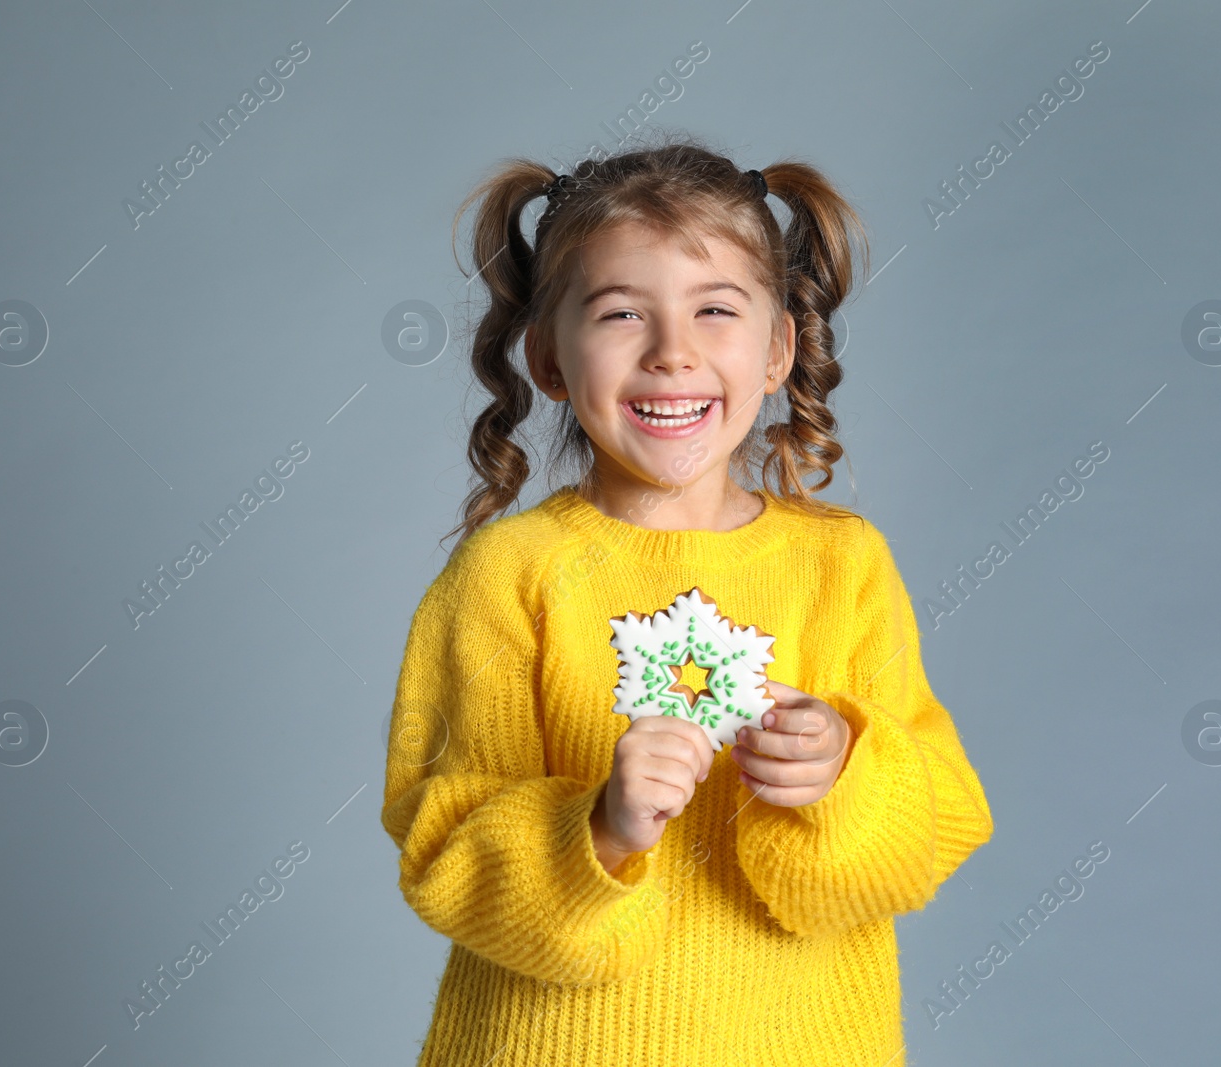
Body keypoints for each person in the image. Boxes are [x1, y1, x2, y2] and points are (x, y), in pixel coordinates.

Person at [380, 133, 994, 1066]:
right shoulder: (509, 573)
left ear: (780, 345)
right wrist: (598, 826)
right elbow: (443, 842)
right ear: (548, 356)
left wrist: (845, 775)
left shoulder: (844, 567)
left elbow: (938, 820)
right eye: (624, 314)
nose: (673, 353)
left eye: (715, 309)